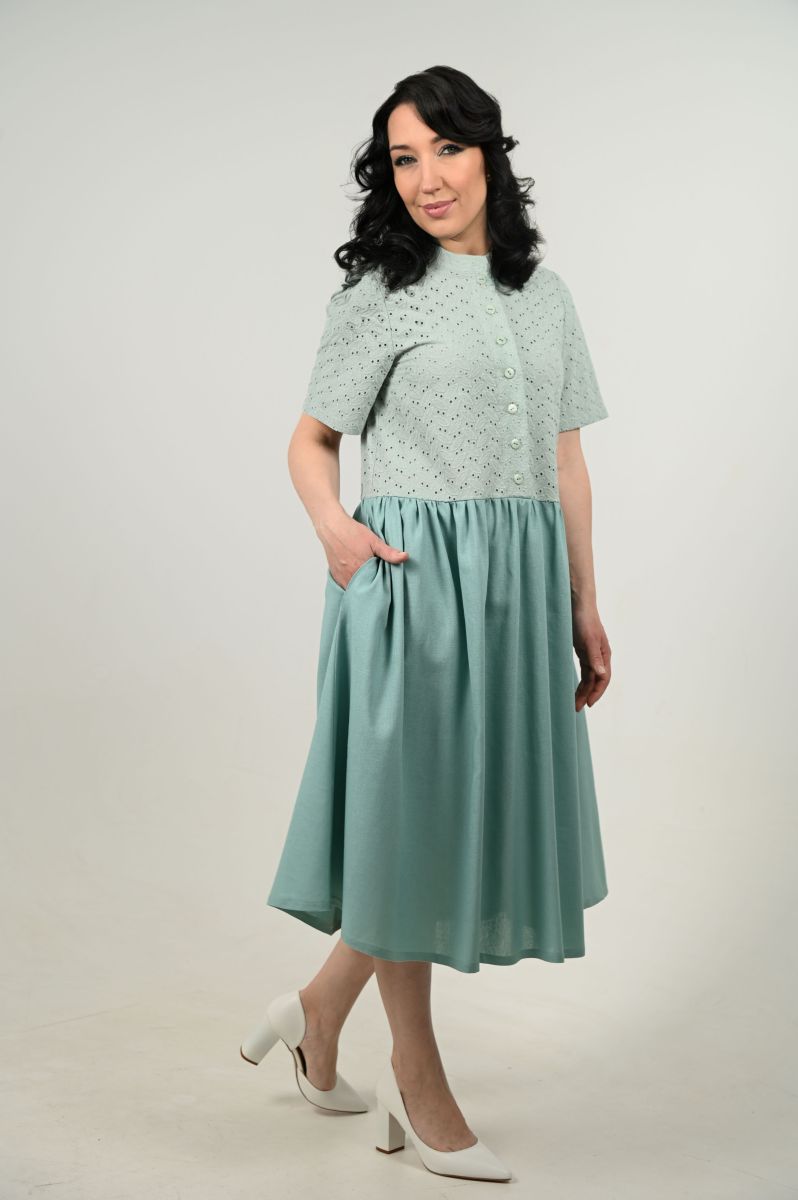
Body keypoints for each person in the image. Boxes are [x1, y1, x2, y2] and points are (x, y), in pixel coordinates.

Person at [241, 65, 613, 1183]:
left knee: (452, 827)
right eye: (403, 159)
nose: (427, 178)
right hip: (410, 583)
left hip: (517, 589)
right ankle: (418, 1079)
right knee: (410, 829)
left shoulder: (544, 295)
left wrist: (585, 600)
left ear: (489, 153)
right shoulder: (378, 296)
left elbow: (564, 459)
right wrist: (336, 532)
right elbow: (311, 440)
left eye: (445, 149)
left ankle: (317, 1013)